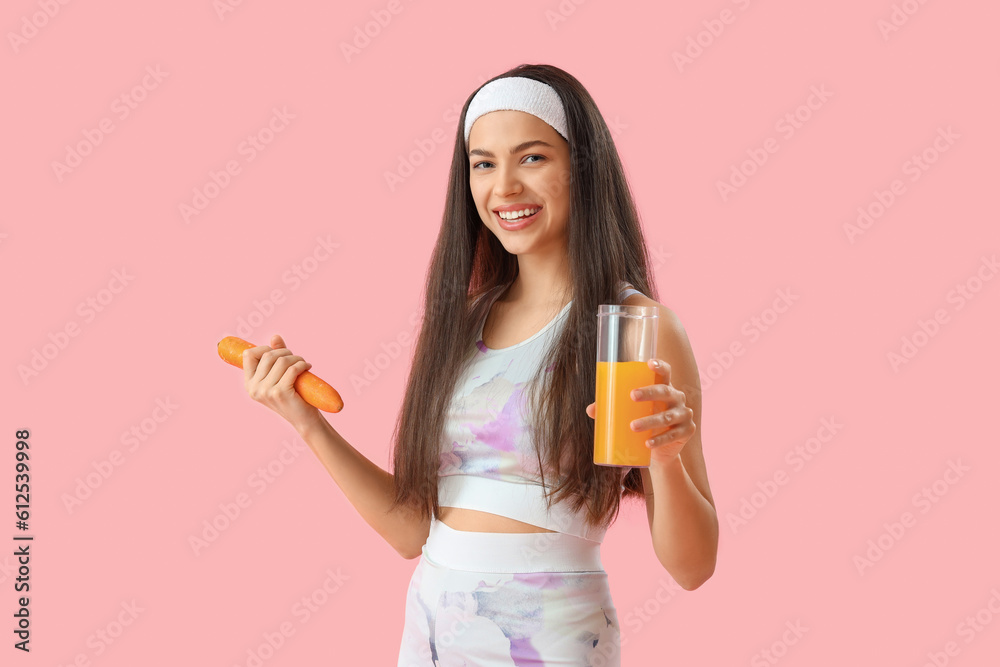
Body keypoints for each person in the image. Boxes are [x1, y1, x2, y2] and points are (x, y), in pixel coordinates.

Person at [239, 63, 718, 666]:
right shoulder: (460, 323)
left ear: (583, 168)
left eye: (533, 158)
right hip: (433, 634)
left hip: (550, 641)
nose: (505, 187)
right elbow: (411, 532)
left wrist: (666, 462)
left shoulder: (633, 327)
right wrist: (305, 421)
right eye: (484, 163)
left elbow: (694, 568)